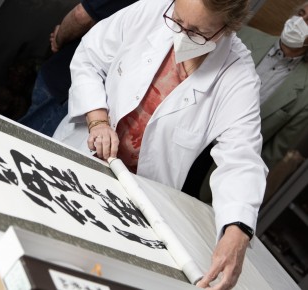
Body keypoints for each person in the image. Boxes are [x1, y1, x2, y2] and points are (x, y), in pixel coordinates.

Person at [53, 0, 268, 289]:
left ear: (227, 28)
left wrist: (237, 230)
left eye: (197, 32)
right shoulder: (151, 10)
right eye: (177, 21)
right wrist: (98, 120)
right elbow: (88, 58)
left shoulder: (238, 79)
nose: (181, 34)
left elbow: (241, 159)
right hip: (78, 151)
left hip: (136, 199)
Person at [192, 2, 308, 203]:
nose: (299, 22)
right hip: (188, 136)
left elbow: (271, 154)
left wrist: (234, 193)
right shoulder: (243, 37)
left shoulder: (305, 95)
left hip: (219, 169)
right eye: (301, 13)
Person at [18, 0, 137, 136]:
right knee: (22, 142)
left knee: (23, 141)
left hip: (74, 89)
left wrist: (58, 39)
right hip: (72, 85)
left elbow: (80, 15)